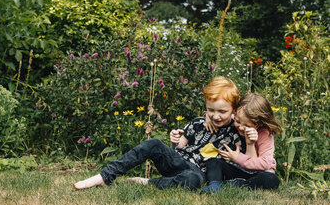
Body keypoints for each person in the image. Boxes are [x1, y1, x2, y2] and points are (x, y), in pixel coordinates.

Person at [74, 76, 244, 191]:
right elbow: (178, 150)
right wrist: (173, 142)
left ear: (233, 110)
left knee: (192, 179)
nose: (215, 116)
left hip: (199, 174)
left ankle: (148, 182)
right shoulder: (199, 122)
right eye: (210, 110)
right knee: (153, 143)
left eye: (222, 111)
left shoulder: (237, 131)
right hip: (180, 162)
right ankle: (105, 176)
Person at [199, 93, 283, 194]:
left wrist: (237, 158)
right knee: (213, 161)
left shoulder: (265, 134)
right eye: (238, 121)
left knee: (271, 179)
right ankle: (214, 185)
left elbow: (265, 164)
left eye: (247, 125)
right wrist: (208, 117)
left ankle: (242, 184)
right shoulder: (239, 118)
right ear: (236, 112)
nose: (241, 127)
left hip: (256, 173)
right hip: (236, 168)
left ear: (258, 123)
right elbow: (223, 117)